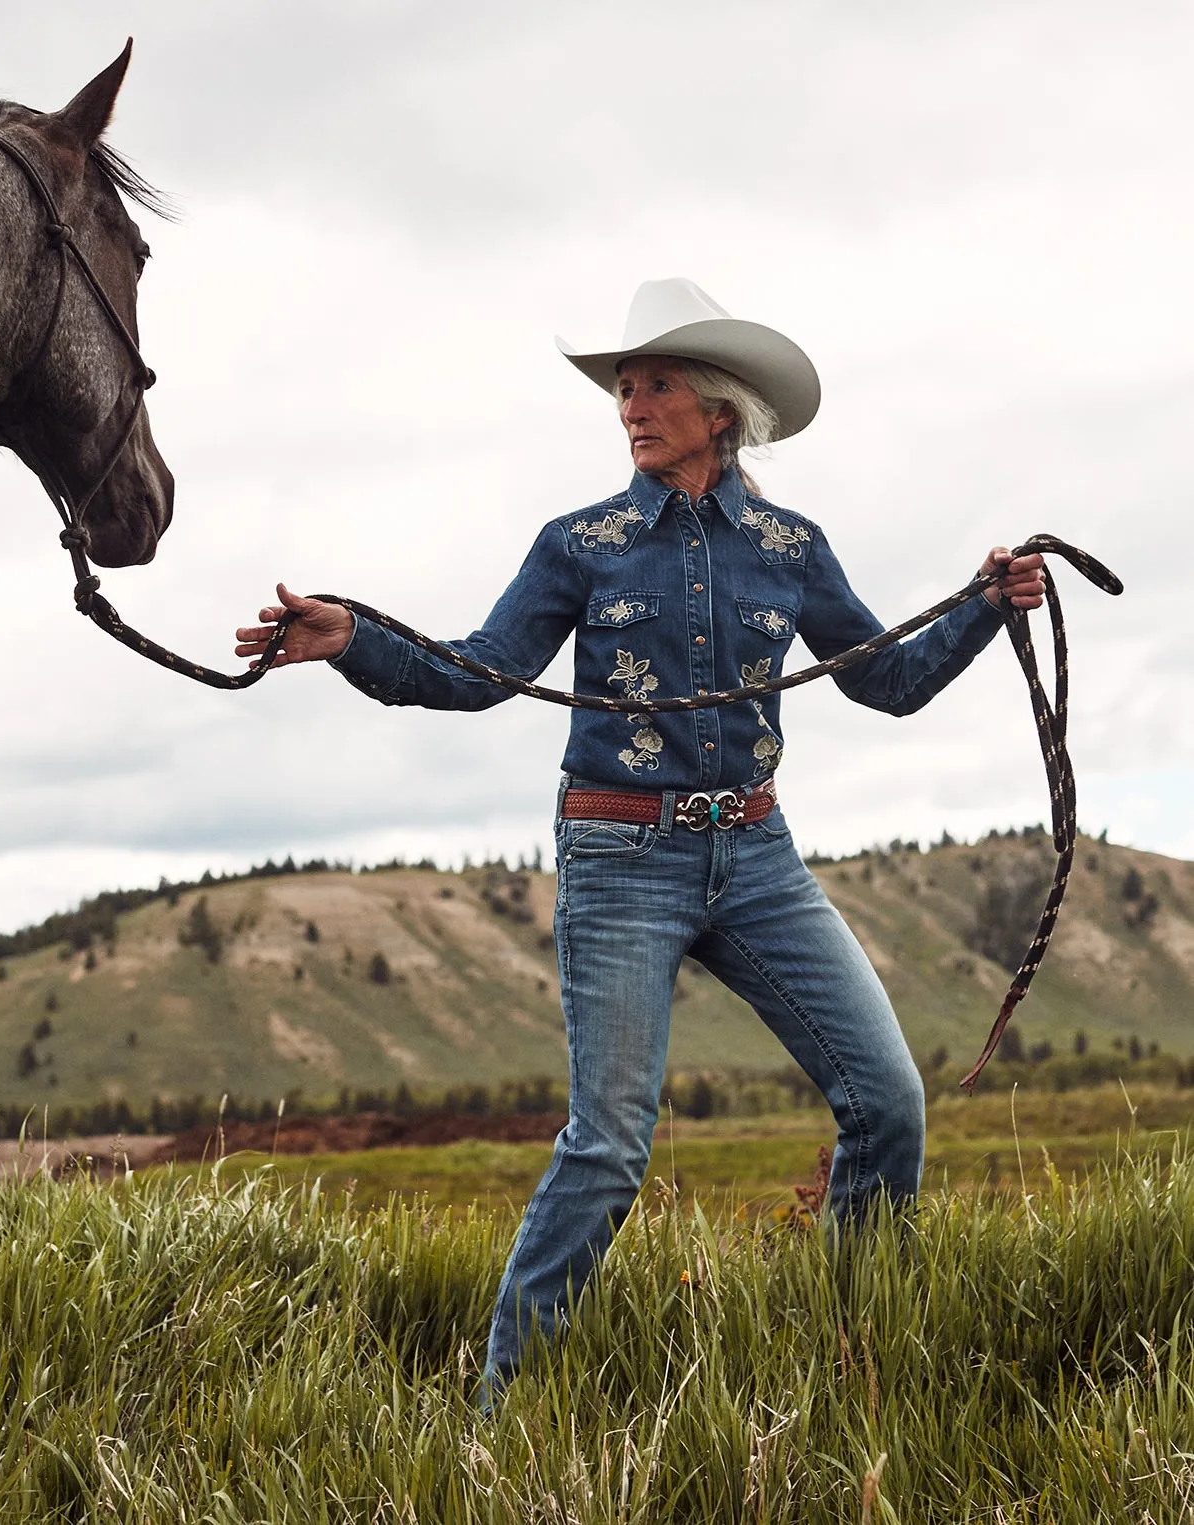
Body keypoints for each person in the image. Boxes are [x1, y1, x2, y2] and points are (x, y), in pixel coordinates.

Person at [234, 277, 1046, 1399]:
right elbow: (482, 672)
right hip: (619, 857)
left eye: (656, 384)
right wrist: (356, 639)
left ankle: (856, 1354)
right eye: (623, 387)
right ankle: (500, 1409)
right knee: (612, 1142)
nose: (631, 404)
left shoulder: (788, 545)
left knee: (887, 1101)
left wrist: (983, 605)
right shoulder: (581, 543)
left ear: (719, 409)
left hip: (757, 856)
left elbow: (889, 681)